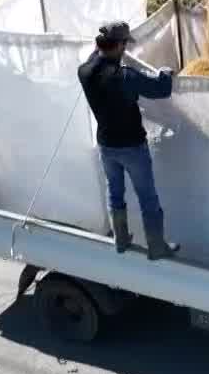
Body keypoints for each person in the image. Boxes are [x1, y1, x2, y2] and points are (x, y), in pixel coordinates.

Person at [76, 21, 179, 260]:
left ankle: (120, 240)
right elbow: (161, 89)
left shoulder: (84, 71)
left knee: (114, 193)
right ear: (120, 45)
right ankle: (156, 247)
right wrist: (165, 73)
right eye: (124, 44)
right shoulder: (125, 76)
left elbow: (96, 56)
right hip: (132, 146)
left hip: (106, 145)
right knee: (147, 197)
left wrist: (107, 48)